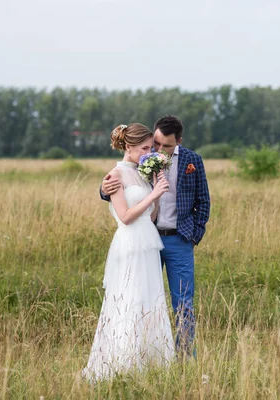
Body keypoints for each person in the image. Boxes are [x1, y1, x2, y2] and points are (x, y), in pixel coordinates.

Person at [101, 115, 210, 355]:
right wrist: (103, 188)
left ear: (178, 142)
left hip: (179, 239)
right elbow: (124, 184)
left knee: (183, 302)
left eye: (166, 146)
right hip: (145, 240)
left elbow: (203, 201)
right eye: (155, 144)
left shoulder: (193, 161)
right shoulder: (142, 158)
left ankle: (184, 356)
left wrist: (193, 236)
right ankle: (139, 353)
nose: (158, 151)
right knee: (143, 298)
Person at [83, 123, 174, 381]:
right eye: (145, 148)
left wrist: (156, 192)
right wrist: (153, 193)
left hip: (148, 240)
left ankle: (151, 361)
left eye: (151, 148)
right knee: (130, 299)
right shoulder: (115, 175)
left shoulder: (143, 172)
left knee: (150, 299)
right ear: (129, 146)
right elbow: (125, 216)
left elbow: (151, 215)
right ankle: (123, 362)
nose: (149, 152)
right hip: (130, 242)